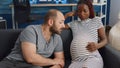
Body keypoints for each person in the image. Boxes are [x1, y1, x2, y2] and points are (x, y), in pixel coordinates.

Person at [0, 9, 65, 68]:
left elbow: (60, 60)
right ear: (50, 22)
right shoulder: (31, 30)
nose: (64, 26)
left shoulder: (57, 38)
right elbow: (30, 58)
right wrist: (54, 61)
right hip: (12, 63)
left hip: (33, 66)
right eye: (60, 22)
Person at [64, 0, 107, 68]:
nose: (82, 13)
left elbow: (105, 40)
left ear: (90, 10)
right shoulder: (73, 23)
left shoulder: (96, 20)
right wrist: (66, 16)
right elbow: (58, 27)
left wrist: (97, 46)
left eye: (85, 11)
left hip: (92, 58)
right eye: (79, 11)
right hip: (76, 62)